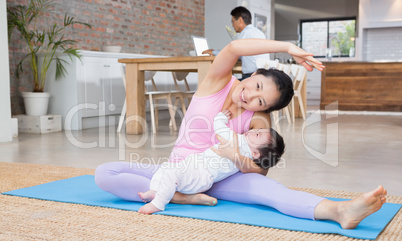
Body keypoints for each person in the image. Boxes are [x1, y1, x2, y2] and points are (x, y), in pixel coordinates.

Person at [95, 38, 387, 230]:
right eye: (256, 85)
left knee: (270, 193)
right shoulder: (217, 81)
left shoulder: (256, 120)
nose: (251, 97)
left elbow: (259, 171)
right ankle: (182, 197)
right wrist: (287, 47)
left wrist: (235, 156)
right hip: (177, 171)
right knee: (104, 174)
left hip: (218, 180)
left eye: (262, 101)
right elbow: (234, 48)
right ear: (253, 74)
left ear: (266, 109)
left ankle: (339, 211)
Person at [138, 110, 285, 214]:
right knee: (168, 169)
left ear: (255, 153)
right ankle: (156, 192)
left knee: (170, 173)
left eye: (257, 134)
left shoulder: (237, 140)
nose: (252, 131)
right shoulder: (247, 157)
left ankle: (158, 204)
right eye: (256, 130)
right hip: (198, 171)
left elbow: (219, 129)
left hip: (200, 173)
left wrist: (220, 118)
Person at [203, 6, 270, 80]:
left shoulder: (246, 33)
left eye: (233, 21)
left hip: (252, 77)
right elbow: (240, 54)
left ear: (240, 20)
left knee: (223, 86)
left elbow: (233, 54)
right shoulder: (259, 33)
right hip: (264, 76)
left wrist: (214, 52)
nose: (232, 25)